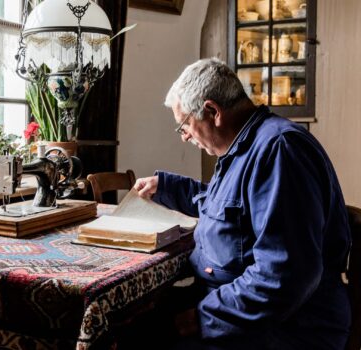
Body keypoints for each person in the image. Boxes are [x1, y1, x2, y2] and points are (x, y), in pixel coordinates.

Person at [134, 58, 351, 349]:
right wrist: (167, 187)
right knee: (133, 319)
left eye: (184, 125)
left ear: (212, 111)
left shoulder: (279, 151)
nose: (184, 136)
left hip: (286, 326)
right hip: (239, 303)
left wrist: (201, 318)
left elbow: (283, 276)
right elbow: (224, 207)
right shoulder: (243, 148)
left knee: (144, 337)